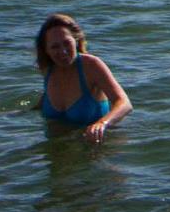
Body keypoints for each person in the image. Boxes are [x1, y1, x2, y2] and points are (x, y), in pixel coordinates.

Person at [34, 13, 132, 141]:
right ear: (46, 50)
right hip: (57, 148)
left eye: (67, 43)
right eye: (55, 47)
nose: (63, 51)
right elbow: (45, 101)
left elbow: (124, 104)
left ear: (76, 40)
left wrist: (102, 123)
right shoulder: (49, 70)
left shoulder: (91, 66)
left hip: (96, 147)